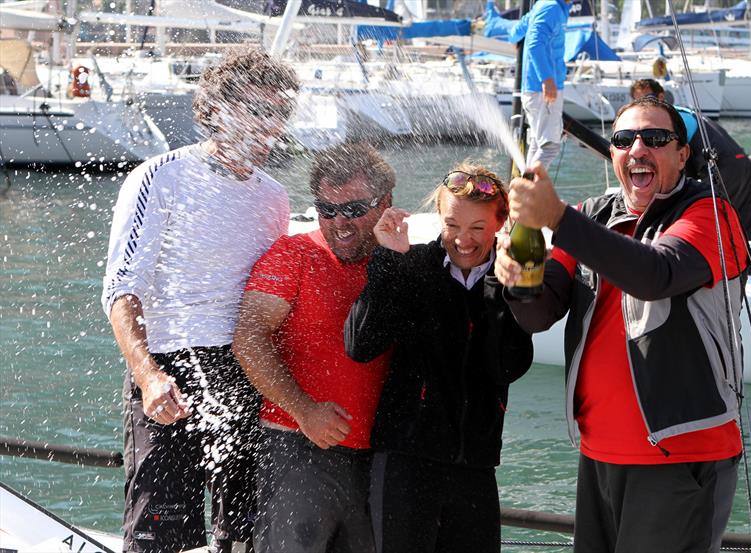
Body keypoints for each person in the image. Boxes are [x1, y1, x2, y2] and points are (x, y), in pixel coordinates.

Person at [495, 97, 747, 553]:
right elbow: (538, 313)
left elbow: (655, 275)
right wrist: (516, 275)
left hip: (681, 456)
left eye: (655, 138)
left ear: (682, 154)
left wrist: (557, 217)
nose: (637, 148)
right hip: (598, 455)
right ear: (612, 154)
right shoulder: (593, 215)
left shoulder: (710, 215)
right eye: (623, 139)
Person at [101, 47, 300, 553]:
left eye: (278, 113)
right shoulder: (159, 177)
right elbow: (121, 289)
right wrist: (147, 378)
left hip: (246, 373)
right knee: (160, 538)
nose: (269, 127)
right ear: (214, 112)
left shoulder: (274, 198)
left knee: (246, 535)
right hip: (169, 374)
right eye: (258, 111)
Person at [344, 163, 534, 553]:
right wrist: (388, 262)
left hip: (476, 467)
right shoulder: (410, 265)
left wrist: (502, 284)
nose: (463, 240)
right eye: (452, 226)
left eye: (478, 229)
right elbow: (360, 345)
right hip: (406, 462)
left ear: (500, 225)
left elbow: (508, 365)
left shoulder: (512, 276)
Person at [231, 142, 395, 553]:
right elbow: (248, 337)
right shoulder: (293, 254)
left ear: (385, 203)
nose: (339, 222)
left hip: (381, 460)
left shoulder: (401, 263)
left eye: (355, 210)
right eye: (326, 209)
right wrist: (304, 410)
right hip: (299, 449)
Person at [630, 78, 751, 273]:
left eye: (648, 98)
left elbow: (668, 159)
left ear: (661, 97)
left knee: (715, 223)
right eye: (637, 101)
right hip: (743, 165)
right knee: (743, 225)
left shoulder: (672, 119)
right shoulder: (684, 113)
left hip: (723, 170)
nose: (644, 105)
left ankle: (728, 273)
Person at [507, 0, 571, 169]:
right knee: (550, 146)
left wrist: (517, 40)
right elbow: (535, 45)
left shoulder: (544, 4)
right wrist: (547, 79)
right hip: (543, 89)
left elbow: (515, 32)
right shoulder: (552, 8)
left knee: (538, 142)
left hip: (534, 88)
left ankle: (526, 188)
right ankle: (528, 191)